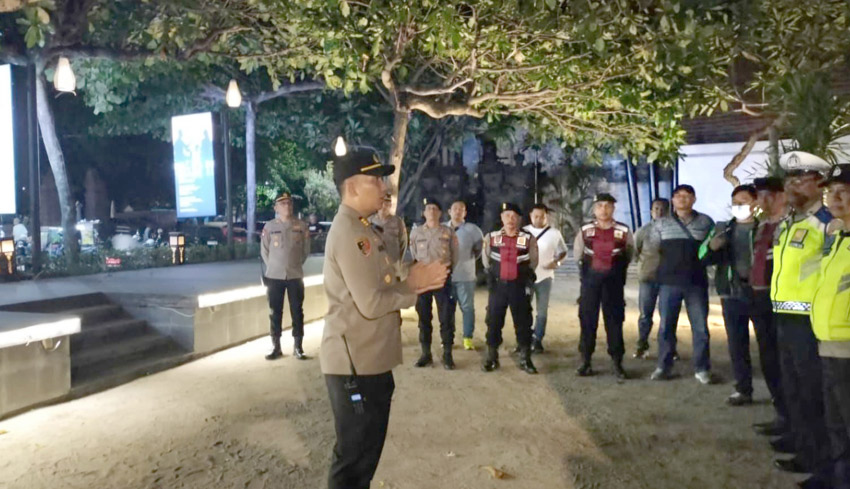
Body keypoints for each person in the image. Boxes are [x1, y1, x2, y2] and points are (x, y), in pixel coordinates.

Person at [320, 146, 448, 489]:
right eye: (376, 180)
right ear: (352, 187)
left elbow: (381, 284)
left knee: (362, 457)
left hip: (368, 361)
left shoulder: (362, 228)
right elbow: (372, 303)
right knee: (353, 459)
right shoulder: (350, 232)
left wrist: (410, 281)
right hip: (355, 366)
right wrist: (414, 287)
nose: (384, 187)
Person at [769, 152, 834, 487]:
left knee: (813, 394)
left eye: (800, 178)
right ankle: (802, 445)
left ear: (819, 183)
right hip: (785, 316)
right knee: (793, 389)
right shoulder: (791, 221)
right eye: (790, 179)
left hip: (810, 321)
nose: (792, 185)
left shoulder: (827, 222)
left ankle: (822, 462)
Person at [700, 185, 767, 405]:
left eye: (744, 201)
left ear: (755, 203)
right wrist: (712, 246)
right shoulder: (723, 229)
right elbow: (701, 255)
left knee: (768, 345)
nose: (739, 207)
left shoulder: (765, 228)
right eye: (736, 202)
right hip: (731, 293)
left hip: (761, 293)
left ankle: (778, 392)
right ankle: (743, 389)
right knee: (737, 345)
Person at [649, 184, 715, 383]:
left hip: (696, 282)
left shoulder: (705, 222)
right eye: (678, 196)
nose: (683, 199)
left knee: (701, 329)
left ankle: (702, 368)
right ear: (673, 200)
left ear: (694, 199)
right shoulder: (661, 223)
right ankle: (663, 366)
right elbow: (653, 250)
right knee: (666, 327)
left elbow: (711, 249)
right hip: (668, 282)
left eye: (687, 196)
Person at [811, 163, 850, 489]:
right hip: (829, 344)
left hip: (847, 349)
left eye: (843, 192)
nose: (834, 199)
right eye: (830, 192)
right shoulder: (838, 238)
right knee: (836, 425)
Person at [573, 193, 634, 379]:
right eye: (600, 205)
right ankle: (586, 361)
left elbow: (629, 253)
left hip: (614, 283)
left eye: (608, 206)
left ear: (614, 208)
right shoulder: (585, 230)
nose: (604, 209)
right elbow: (578, 255)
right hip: (591, 283)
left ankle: (617, 362)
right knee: (587, 321)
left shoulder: (624, 230)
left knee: (615, 321)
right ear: (594, 209)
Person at [748, 177, 790, 438]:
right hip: (759, 297)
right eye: (761, 196)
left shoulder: (791, 224)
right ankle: (782, 414)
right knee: (769, 359)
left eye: (770, 195)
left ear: (782, 196)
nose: (764, 201)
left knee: (786, 362)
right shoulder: (762, 225)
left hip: (782, 302)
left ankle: (794, 421)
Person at [481, 202, 539, 374]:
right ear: (501, 218)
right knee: (493, 322)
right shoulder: (491, 237)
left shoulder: (528, 239)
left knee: (523, 323)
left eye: (514, 216)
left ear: (520, 219)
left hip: (519, 287)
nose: (510, 219)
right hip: (498, 287)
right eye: (507, 215)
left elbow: (534, 262)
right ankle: (492, 357)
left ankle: (525, 358)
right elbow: (486, 261)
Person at [409, 198, 459, 369]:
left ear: (440, 213)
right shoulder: (416, 233)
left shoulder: (448, 232)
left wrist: (445, 270)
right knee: (423, 318)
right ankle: (426, 353)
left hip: (442, 280)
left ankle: (447, 355)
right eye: (428, 209)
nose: (431, 211)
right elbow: (413, 253)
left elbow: (455, 255)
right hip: (423, 281)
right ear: (424, 213)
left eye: (434, 209)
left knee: (446, 318)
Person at [260, 192, 311, 360]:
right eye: (282, 204)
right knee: (275, 312)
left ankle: (298, 346)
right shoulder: (269, 227)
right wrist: (275, 266)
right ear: (276, 207)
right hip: (274, 276)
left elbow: (305, 251)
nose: (286, 206)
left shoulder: (301, 226)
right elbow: (265, 251)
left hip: (295, 275)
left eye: (289, 203)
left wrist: (293, 265)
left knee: (297, 311)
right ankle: (276, 346)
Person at [523, 204, 568, 354]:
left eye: (542, 216)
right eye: (535, 216)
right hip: (527, 277)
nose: (538, 219)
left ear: (546, 216)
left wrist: (556, 263)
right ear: (530, 216)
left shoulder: (554, 233)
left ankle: (538, 339)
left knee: (542, 311)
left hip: (545, 277)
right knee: (524, 310)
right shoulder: (524, 232)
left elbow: (563, 252)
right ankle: (524, 338)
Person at [633, 198, 669, 359]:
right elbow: (634, 252)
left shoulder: (673, 230)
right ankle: (642, 344)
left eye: (662, 209)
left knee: (667, 315)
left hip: (669, 279)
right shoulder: (643, 231)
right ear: (651, 211)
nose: (659, 212)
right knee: (645, 315)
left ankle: (669, 348)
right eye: (656, 209)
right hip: (648, 277)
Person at [446, 200, 484, 351]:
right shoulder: (442, 228)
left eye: (461, 209)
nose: (457, 211)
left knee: (467, 308)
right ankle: (448, 338)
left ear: (465, 213)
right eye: (455, 208)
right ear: (449, 211)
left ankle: (467, 337)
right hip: (446, 276)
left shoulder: (473, 230)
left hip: (466, 276)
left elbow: (479, 250)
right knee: (447, 310)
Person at [369, 193, 408, 265]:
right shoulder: (370, 221)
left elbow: (403, 243)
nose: (384, 207)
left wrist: (398, 261)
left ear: (390, 206)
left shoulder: (397, 222)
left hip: (392, 263)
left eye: (387, 204)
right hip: (376, 264)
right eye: (382, 203)